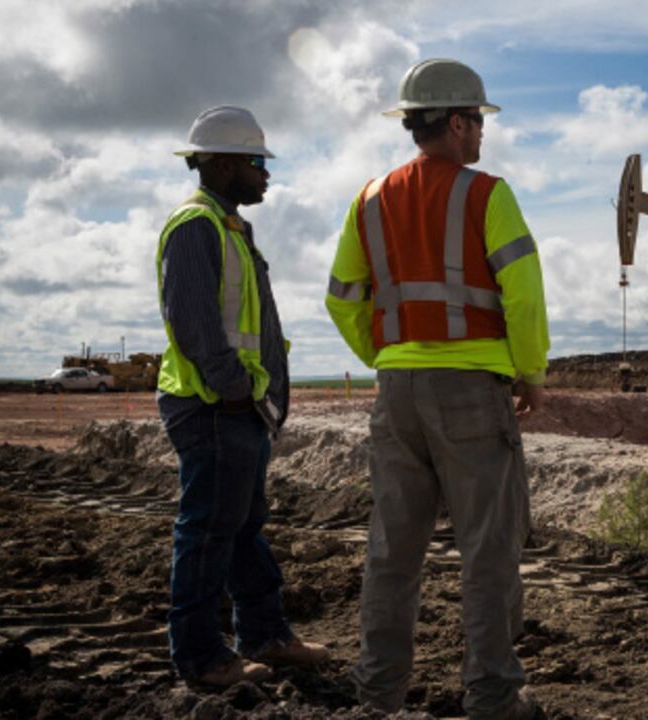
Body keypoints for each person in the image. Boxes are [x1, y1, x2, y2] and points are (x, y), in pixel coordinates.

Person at [325, 59, 549, 719]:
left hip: (396, 394)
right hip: (473, 394)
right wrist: (529, 370)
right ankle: (493, 703)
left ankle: (378, 699)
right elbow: (525, 294)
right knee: (488, 550)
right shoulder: (487, 194)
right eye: (477, 120)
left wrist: (389, 356)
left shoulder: (368, 199)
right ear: (455, 122)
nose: (481, 133)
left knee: (392, 553)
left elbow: (342, 298)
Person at [158, 106, 329, 685]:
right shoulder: (195, 226)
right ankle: (201, 656)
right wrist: (234, 393)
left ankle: (266, 635)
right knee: (208, 530)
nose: (266, 174)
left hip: (239, 409)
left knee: (241, 526)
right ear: (225, 163)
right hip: (213, 408)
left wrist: (260, 401)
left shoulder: (232, 227)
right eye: (258, 162)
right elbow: (196, 325)